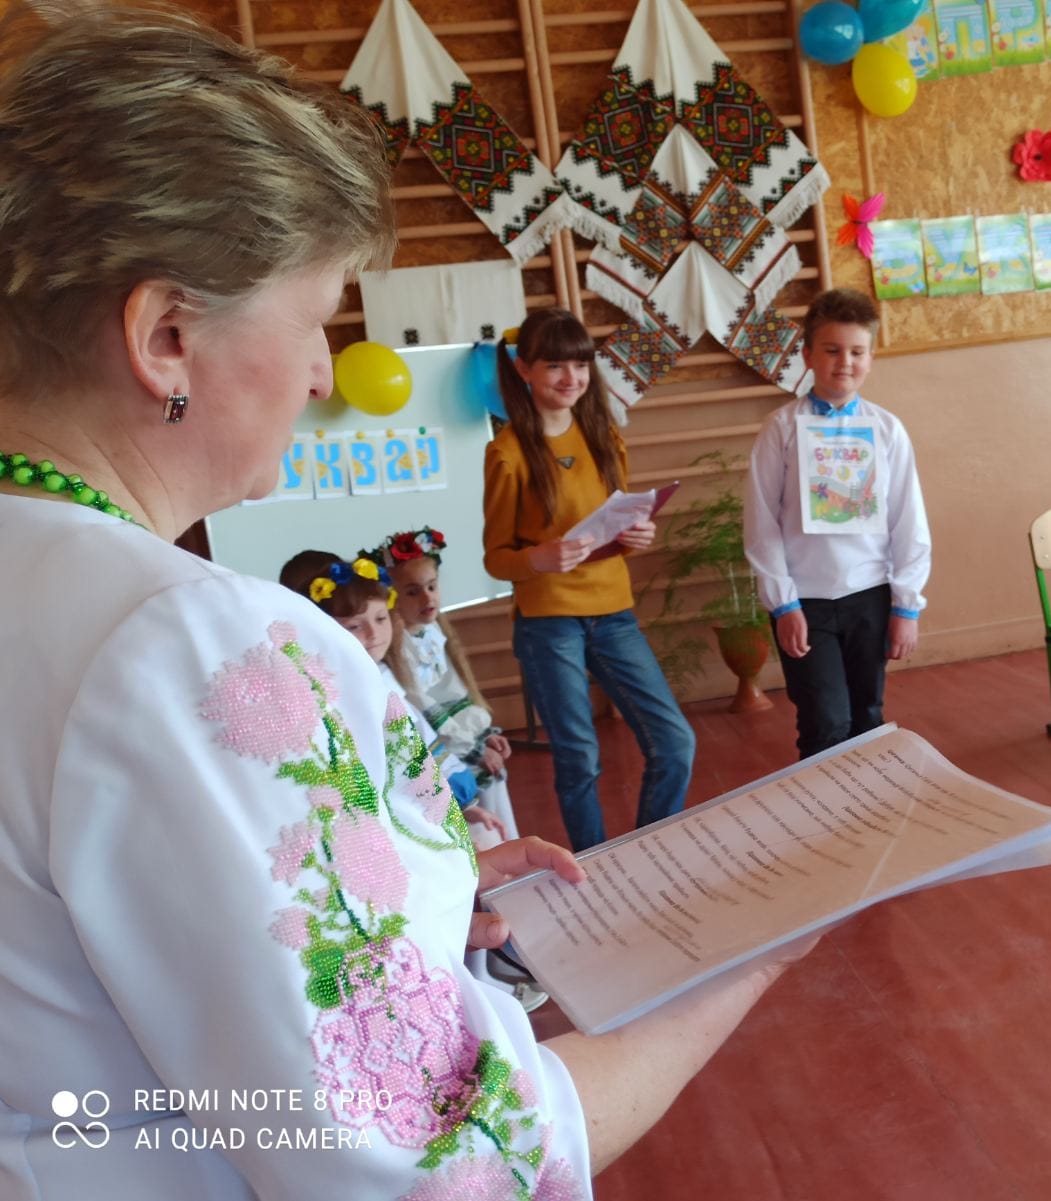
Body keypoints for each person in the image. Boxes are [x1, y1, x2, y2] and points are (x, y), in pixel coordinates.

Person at [0, 6, 808, 1197]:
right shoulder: (181, 640)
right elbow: (440, 1160)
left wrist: (414, 898)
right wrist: (742, 958)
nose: (321, 371)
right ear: (166, 335)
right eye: (315, 318)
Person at [483, 308, 695, 853]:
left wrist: (635, 536)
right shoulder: (507, 453)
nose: (570, 378)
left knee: (675, 742)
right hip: (547, 622)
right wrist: (540, 558)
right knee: (579, 756)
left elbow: (614, 522)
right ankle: (594, 866)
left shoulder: (604, 436)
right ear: (524, 369)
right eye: (555, 365)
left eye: (580, 365)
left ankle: (645, 852)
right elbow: (496, 559)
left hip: (613, 611)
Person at [744, 287, 932, 760]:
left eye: (856, 351)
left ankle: (870, 804)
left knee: (868, 717)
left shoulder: (887, 430)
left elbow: (908, 520)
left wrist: (906, 605)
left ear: (870, 357)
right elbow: (761, 522)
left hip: (869, 595)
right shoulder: (781, 428)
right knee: (825, 721)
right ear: (808, 355)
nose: (844, 362)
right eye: (831, 350)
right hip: (805, 601)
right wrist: (783, 603)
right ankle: (823, 804)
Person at [288, 552, 509, 844]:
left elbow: (420, 739)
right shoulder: (328, 692)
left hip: (417, 803)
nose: (374, 633)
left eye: (381, 619)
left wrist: (463, 802)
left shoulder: (383, 677)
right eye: (354, 626)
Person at [372, 525, 521, 840]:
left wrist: (485, 737)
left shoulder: (434, 633)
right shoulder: (399, 651)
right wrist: (475, 750)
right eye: (412, 591)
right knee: (478, 833)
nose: (427, 597)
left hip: (469, 746)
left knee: (498, 822)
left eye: (431, 586)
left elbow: (456, 693)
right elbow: (424, 711)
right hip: (448, 758)